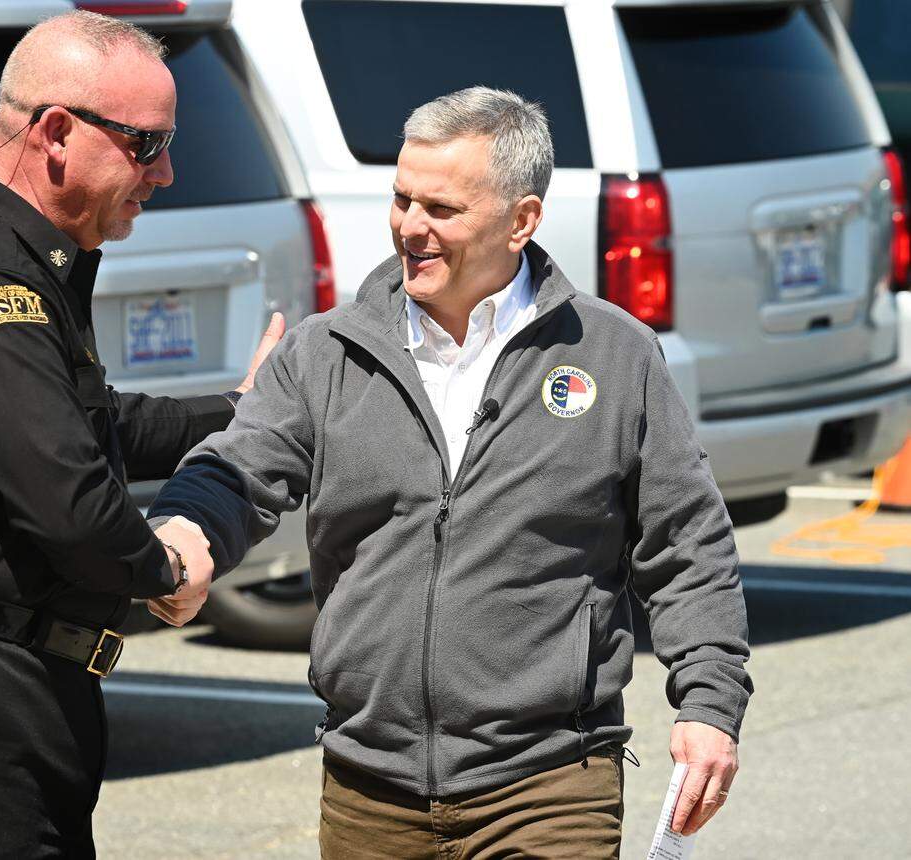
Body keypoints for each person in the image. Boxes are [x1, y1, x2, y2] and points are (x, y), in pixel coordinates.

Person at [150, 87, 753, 857]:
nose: (410, 226)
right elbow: (239, 464)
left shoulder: (613, 354)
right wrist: (184, 528)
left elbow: (687, 544)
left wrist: (708, 704)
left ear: (522, 219)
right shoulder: (327, 352)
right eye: (401, 198)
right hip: (368, 788)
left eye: (441, 207)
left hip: (549, 785)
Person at [0, 11, 282, 856]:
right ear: (58, 134)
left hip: (8, 699)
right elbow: (69, 501)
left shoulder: (19, 261)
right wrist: (165, 568)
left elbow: (96, 425)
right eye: (147, 145)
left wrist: (244, 407)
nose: (169, 171)